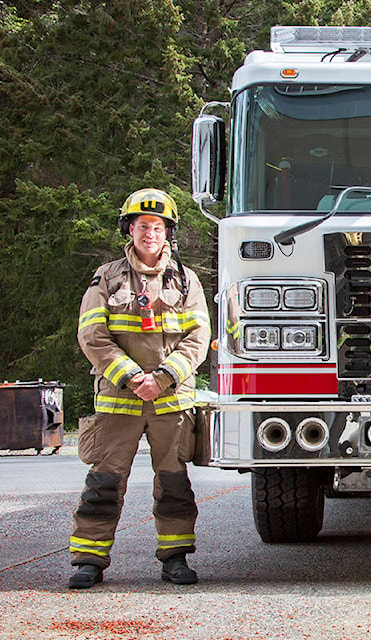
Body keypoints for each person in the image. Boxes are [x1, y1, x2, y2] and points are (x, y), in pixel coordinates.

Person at [68, 188, 210, 589]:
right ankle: (89, 561)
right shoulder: (107, 277)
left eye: (158, 227)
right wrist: (132, 377)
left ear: (168, 233)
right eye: (143, 226)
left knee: (174, 483)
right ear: (129, 229)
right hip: (119, 399)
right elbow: (91, 334)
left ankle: (176, 559)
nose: (151, 233)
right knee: (104, 483)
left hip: (170, 402)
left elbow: (199, 338)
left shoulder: (186, 281)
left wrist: (162, 378)